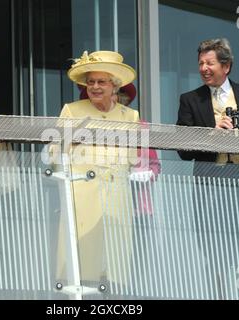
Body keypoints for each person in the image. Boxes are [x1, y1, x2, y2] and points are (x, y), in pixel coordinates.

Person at [176, 38, 239, 299]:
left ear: (226, 66)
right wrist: (210, 136)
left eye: (210, 63)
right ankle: (217, 293)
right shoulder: (190, 100)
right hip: (211, 188)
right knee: (214, 248)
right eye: (200, 64)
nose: (204, 68)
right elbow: (183, 150)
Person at [52, 50, 140, 294]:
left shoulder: (130, 115)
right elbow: (55, 154)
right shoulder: (72, 110)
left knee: (113, 272)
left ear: (115, 86)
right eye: (91, 82)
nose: (95, 87)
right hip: (81, 197)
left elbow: (132, 158)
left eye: (102, 82)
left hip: (115, 199)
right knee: (80, 270)